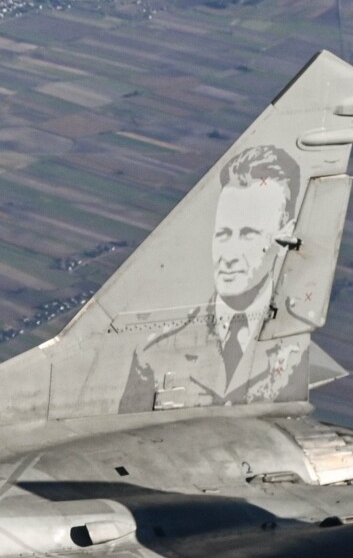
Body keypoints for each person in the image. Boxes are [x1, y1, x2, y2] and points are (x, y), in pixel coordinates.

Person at [129, 145, 308, 408]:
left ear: (285, 236)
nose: (229, 255)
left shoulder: (292, 355)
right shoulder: (152, 355)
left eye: (247, 234)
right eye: (223, 234)